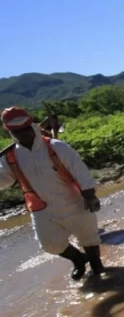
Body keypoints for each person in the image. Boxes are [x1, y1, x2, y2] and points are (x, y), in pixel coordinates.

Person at [0, 107, 104, 280]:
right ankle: (78, 259)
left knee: (89, 236)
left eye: (26, 128)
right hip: (42, 208)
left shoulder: (56, 147)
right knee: (49, 244)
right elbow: (4, 180)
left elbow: (80, 170)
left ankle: (96, 266)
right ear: (11, 132)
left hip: (73, 200)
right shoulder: (10, 158)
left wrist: (89, 195)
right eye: (18, 131)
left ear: (32, 125)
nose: (24, 133)